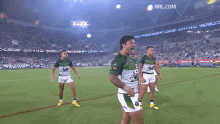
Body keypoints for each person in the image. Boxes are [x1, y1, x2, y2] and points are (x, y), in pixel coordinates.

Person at [109, 35, 144, 124]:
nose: (134, 45)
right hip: (126, 95)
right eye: (131, 43)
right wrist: (127, 88)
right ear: (123, 45)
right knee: (139, 121)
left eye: (134, 43)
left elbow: (133, 73)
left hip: (132, 93)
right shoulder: (119, 59)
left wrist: (138, 83)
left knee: (126, 119)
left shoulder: (130, 58)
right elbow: (112, 77)